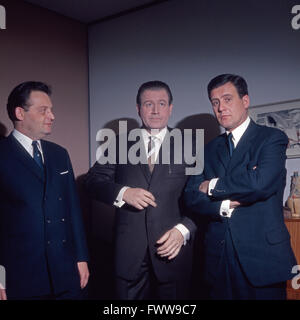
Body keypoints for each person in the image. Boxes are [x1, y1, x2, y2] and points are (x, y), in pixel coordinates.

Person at [184, 74, 296, 300]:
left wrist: (213, 186)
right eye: (215, 102)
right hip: (218, 258)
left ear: (245, 101)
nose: (221, 108)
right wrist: (224, 205)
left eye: (227, 99)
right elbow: (190, 197)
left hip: (262, 258)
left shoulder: (272, 138)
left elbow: (260, 184)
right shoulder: (207, 150)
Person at [85, 80, 196, 300]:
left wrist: (184, 229)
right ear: (138, 108)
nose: (155, 110)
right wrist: (123, 193)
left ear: (171, 108)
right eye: (148, 104)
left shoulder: (191, 145)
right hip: (129, 255)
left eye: (162, 103)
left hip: (173, 251)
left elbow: (200, 197)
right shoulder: (119, 144)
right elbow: (91, 182)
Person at [0, 81, 89, 300]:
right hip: (21, 275)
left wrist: (81, 258)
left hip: (66, 271)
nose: (52, 115)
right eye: (43, 110)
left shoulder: (59, 154)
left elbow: (73, 210)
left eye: (51, 109)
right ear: (20, 112)